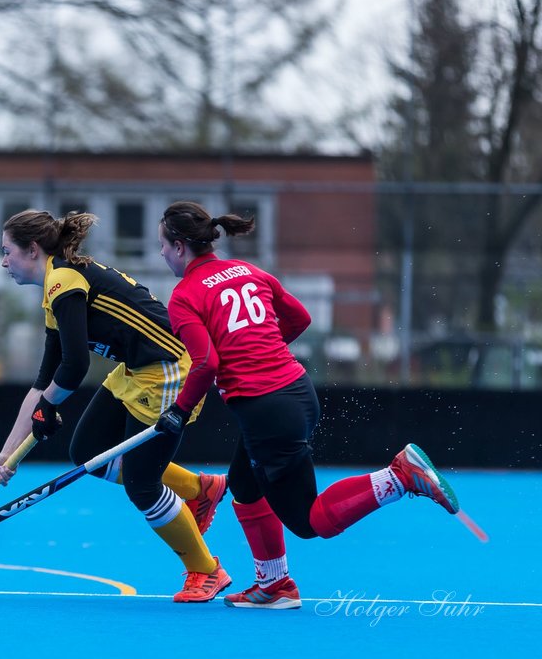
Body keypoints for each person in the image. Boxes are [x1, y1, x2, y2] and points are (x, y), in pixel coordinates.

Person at [154, 200, 460, 609]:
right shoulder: (251, 271)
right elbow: (299, 319)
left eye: (162, 244)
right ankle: (274, 585)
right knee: (244, 486)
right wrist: (261, 351)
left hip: (266, 409)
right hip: (297, 391)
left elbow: (206, 363)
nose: (160, 254)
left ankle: (398, 477)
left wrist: (177, 412)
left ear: (179, 247)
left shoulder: (185, 296)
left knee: (308, 521)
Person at [0, 209, 231, 603]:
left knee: (142, 483)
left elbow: (75, 367)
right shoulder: (57, 286)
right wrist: (7, 455)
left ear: (32, 250)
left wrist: (49, 407)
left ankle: (206, 570)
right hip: (138, 369)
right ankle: (199, 489)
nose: (4, 262)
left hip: (170, 370)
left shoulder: (64, 283)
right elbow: (44, 382)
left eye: (7, 252)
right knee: (87, 452)